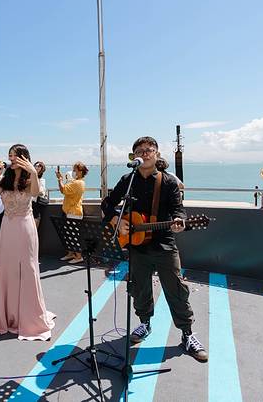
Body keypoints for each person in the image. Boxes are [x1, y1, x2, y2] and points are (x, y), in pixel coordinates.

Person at [101, 136, 208, 362]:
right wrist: (116, 220)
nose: (145, 153)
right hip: (136, 245)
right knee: (139, 288)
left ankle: (187, 334)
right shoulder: (128, 179)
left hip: (164, 243)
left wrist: (179, 221)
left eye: (149, 149)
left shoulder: (167, 182)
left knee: (176, 289)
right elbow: (108, 203)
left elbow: (178, 209)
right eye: (140, 150)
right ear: (134, 156)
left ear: (157, 154)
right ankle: (144, 323)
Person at [0, 144, 55, 340]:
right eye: (10, 156)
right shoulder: (4, 178)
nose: (11, 159)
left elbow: (36, 193)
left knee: (28, 269)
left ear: (24, 158)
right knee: (6, 269)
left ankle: (30, 316)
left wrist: (33, 172)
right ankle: (8, 315)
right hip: (7, 227)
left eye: (15, 156)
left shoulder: (30, 177)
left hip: (25, 226)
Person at [56, 161, 88, 263]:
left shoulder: (77, 183)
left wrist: (60, 179)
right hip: (71, 211)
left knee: (74, 236)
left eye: (74, 170)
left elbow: (63, 190)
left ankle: (78, 256)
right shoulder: (79, 182)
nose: (73, 172)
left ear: (80, 172)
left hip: (73, 212)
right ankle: (70, 253)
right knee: (69, 235)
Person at [31, 161, 49, 228]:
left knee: (35, 220)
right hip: (28, 202)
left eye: (39, 166)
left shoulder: (41, 180)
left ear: (42, 169)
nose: (37, 167)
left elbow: (41, 192)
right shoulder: (29, 178)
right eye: (36, 165)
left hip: (35, 203)